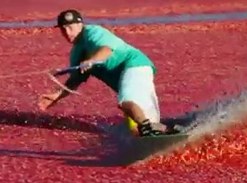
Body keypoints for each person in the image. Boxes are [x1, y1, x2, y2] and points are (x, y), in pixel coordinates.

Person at [38, 9, 179, 137]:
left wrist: (91, 61)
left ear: (80, 24)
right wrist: (55, 96)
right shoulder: (76, 53)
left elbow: (106, 50)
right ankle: (170, 131)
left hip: (134, 65)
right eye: (63, 29)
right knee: (136, 128)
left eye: (70, 27)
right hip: (132, 77)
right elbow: (74, 80)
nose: (67, 33)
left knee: (125, 102)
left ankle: (149, 130)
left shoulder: (93, 32)